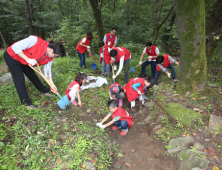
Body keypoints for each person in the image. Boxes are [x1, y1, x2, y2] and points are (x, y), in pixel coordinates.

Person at [4, 35, 66, 109]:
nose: (55, 57)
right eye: (56, 56)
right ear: (51, 50)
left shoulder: (49, 58)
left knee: (33, 76)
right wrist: (28, 59)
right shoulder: (34, 40)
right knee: (19, 79)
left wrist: (52, 85)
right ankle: (26, 103)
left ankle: (45, 91)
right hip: (12, 56)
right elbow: (15, 47)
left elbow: (47, 72)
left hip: (24, 61)